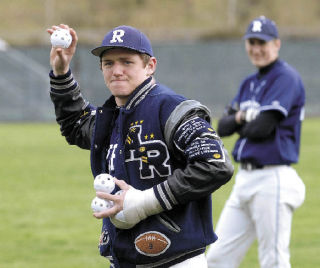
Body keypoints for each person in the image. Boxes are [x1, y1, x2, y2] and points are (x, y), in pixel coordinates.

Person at [47, 24, 234, 268]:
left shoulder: (170, 108)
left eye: (127, 62)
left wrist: (145, 202)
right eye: (109, 63)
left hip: (176, 261)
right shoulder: (112, 116)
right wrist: (61, 73)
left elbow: (216, 164)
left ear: (150, 66)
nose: (117, 71)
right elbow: (76, 125)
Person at [206, 16, 306, 268]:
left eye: (262, 42)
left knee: (273, 260)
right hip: (244, 180)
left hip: (272, 179)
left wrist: (240, 119)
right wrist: (243, 116)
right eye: (252, 41)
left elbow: (263, 127)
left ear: (277, 43)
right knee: (218, 258)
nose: (256, 48)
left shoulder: (286, 78)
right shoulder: (249, 83)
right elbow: (223, 126)